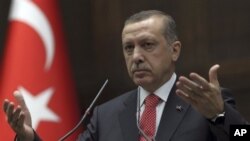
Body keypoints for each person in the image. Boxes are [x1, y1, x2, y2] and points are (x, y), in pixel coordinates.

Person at [3, 10, 248, 141]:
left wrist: (220, 115)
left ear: (175, 50)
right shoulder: (106, 115)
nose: (137, 56)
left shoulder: (206, 103)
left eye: (148, 45)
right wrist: (27, 138)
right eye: (129, 48)